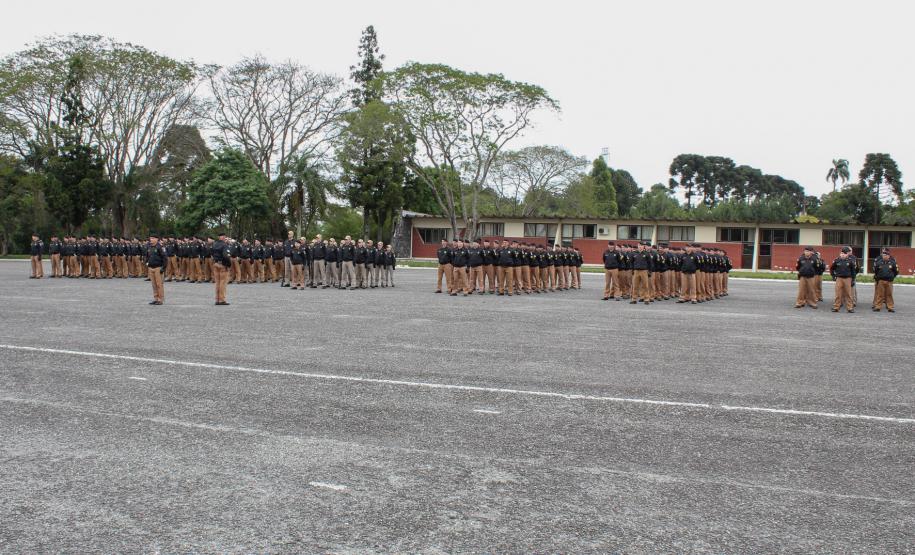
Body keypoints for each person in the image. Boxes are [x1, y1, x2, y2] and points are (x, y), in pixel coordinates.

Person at [829, 247, 856, 313]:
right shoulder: (837, 261)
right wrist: (833, 276)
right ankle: (836, 307)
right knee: (838, 294)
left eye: (844, 253)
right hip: (839, 278)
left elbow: (853, 271)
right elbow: (832, 268)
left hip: (848, 279)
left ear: (847, 254)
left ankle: (850, 308)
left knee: (848, 294)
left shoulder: (850, 261)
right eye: (841, 253)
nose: (842, 255)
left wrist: (853, 280)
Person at [872, 248, 898, 312]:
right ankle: (878, 307)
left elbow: (896, 271)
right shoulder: (879, 262)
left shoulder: (892, 262)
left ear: (888, 256)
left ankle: (890, 307)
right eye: (883, 255)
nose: (884, 256)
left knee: (889, 295)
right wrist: (878, 277)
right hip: (881, 280)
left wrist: (892, 277)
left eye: (886, 255)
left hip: (889, 281)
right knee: (879, 294)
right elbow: (876, 271)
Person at [145, 233, 166, 305]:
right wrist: (147, 263)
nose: (151, 239)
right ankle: (156, 298)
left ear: (157, 239)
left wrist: (163, 268)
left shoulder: (160, 247)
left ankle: (160, 299)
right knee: (154, 285)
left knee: (159, 284)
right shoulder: (149, 247)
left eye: (153, 238)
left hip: (158, 268)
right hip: (151, 268)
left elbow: (165, 258)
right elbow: (147, 256)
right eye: (150, 238)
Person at [211, 232, 231, 305]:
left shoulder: (214, 244)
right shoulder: (225, 245)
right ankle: (222, 300)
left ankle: (217, 299)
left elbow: (211, 254)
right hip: (223, 265)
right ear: (224, 237)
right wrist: (228, 264)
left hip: (216, 264)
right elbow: (226, 256)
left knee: (217, 283)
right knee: (223, 283)